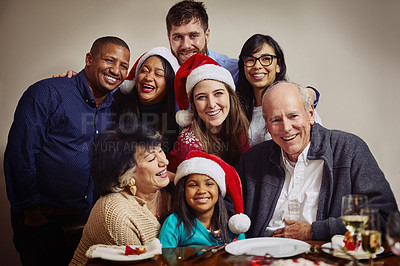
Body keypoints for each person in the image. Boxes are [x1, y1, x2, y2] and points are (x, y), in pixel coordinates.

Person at [4, 36, 130, 265]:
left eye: (124, 66)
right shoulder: (48, 93)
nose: (116, 70)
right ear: (89, 59)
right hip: (42, 220)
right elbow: (20, 154)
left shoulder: (113, 106)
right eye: (109, 60)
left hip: (86, 221)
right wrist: (32, 212)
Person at [236, 81, 398, 241]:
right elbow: (227, 211)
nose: (286, 128)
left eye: (293, 116)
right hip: (261, 256)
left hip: (325, 256)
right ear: (267, 124)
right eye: (276, 120)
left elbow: (385, 217)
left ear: (311, 114)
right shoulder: (252, 160)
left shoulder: (349, 150)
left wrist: (315, 231)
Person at [70, 124, 170, 265]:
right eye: (151, 159)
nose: (165, 161)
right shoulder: (115, 213)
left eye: (161, 151)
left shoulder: (173, 193)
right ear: (125, 174)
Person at [167, 54, 249, 172]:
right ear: (193, 104)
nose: (211, 104)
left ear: (230, 96)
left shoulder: (239, 129)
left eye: (218, 93)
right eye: (201, 97)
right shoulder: (188, 145)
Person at [237, 34, 322, 146]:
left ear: (278, 65)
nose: (257, 66)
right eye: (250, 60)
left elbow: (318, 144)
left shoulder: (295, 101)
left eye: (266, 59)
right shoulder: (237, 108)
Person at [159, 150, 249, 248]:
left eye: (209, 184)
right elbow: (164, 259)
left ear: (219, 191)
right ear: (183, 190)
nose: (201, 190)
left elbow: (241, 258)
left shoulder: (233, 226)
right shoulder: (174, 222)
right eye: (193, 185)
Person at [112, 46, 180, 153]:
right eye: (144, 70)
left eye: (158, 74)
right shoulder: (115, 104)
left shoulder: (176, 124)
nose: (148, 77)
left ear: (169, 84)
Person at [166, 0, 239, 81]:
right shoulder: (160, 75)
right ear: (169, 38)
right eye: (178, 37)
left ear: (206, 36)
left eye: (194, 36)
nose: (186, 45)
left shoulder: (234, 70)